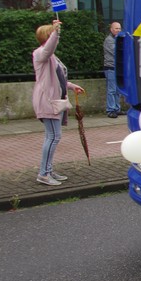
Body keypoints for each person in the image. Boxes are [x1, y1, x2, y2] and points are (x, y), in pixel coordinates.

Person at [32, 20, 85, 186]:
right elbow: (49, 48)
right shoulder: (40, 53)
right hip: (47, 101)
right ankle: (43, 173)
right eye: (51, 34)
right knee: (53, 136)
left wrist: (72, 86)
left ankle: (48, 169)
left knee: (52, 136)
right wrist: (56, 33)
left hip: (54, 100)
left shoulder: (51, 57)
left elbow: (58, 79)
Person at [104, 21, 123, 118]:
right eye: (116, 28)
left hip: (117, 68)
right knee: (111, 90)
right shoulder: (109, 40)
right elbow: (116, 52)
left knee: (117, 90)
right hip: (110, 68)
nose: (118, 30)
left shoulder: (118, 39)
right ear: (111, 29)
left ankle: (117, 109)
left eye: (119, 28)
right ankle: (110, 110)